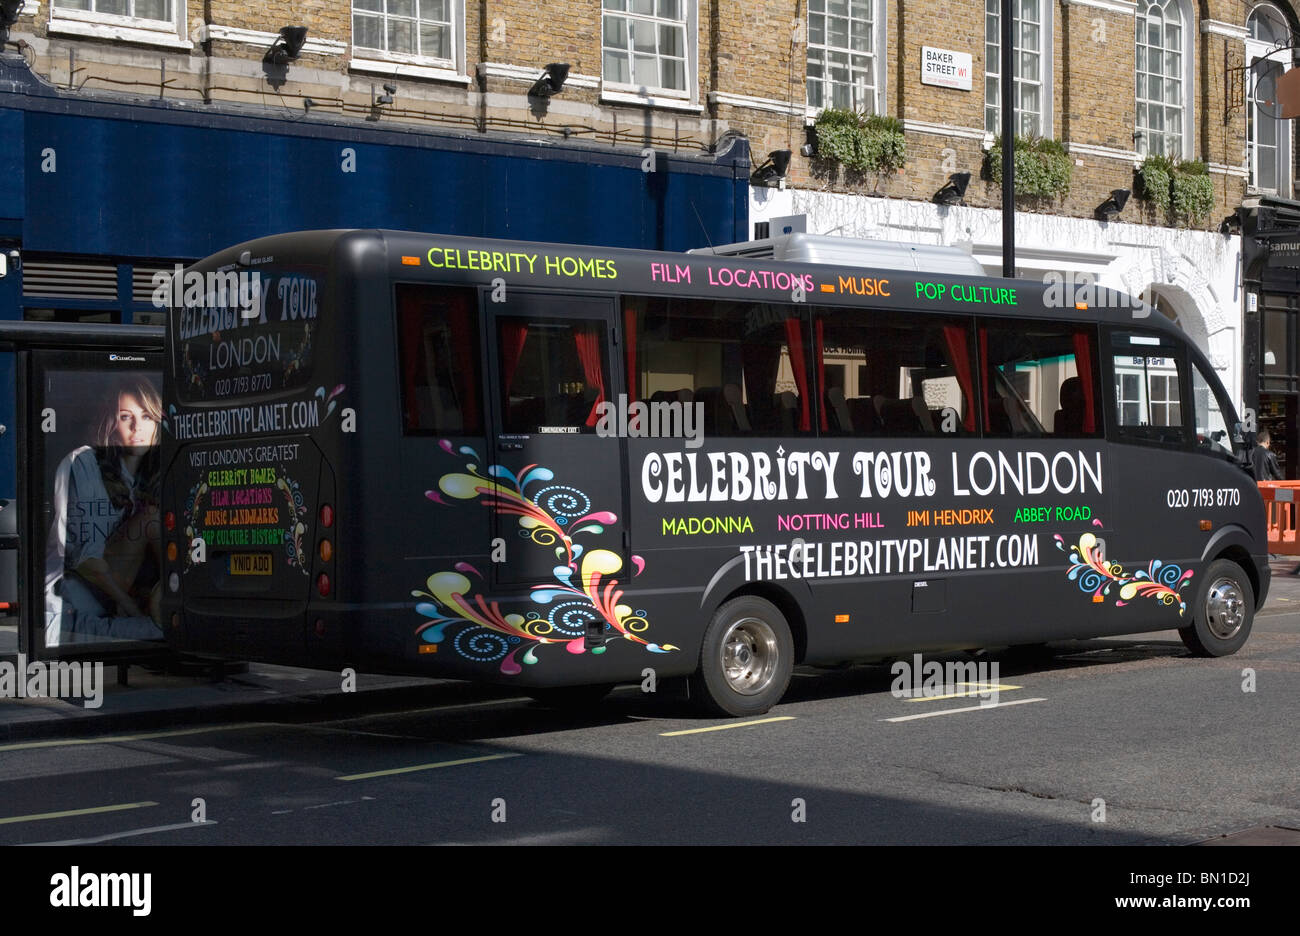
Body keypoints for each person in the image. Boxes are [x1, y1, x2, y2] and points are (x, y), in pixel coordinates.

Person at [43, 377, 165, 648]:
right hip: (75, 591)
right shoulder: (84, 462)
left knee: (154, 519)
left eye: (146, 416)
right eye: (126, 417)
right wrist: (133, 608)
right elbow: (85, 560)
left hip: (117, 591)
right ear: (111, 423)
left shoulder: (149, 476)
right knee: (150, 519)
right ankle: (97, 627)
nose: (138, 427)